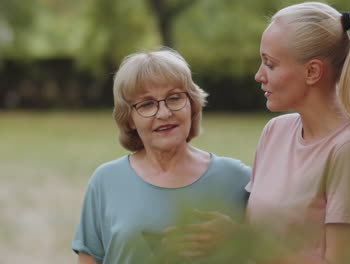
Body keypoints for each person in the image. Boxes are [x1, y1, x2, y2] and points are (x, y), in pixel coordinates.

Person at [171, 2, 350, 264]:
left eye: (270, 64)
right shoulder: (275, 131)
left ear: (312, 71)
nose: (258, 75)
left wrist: (242, 240)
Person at [71, 48, 251, 264]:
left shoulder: (238, 179)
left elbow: (276, 252)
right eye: (147, 104)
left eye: (174, 98)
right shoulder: (106, 181)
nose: (164, 113)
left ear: (192, 105)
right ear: (129, 119)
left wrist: (240, 237)